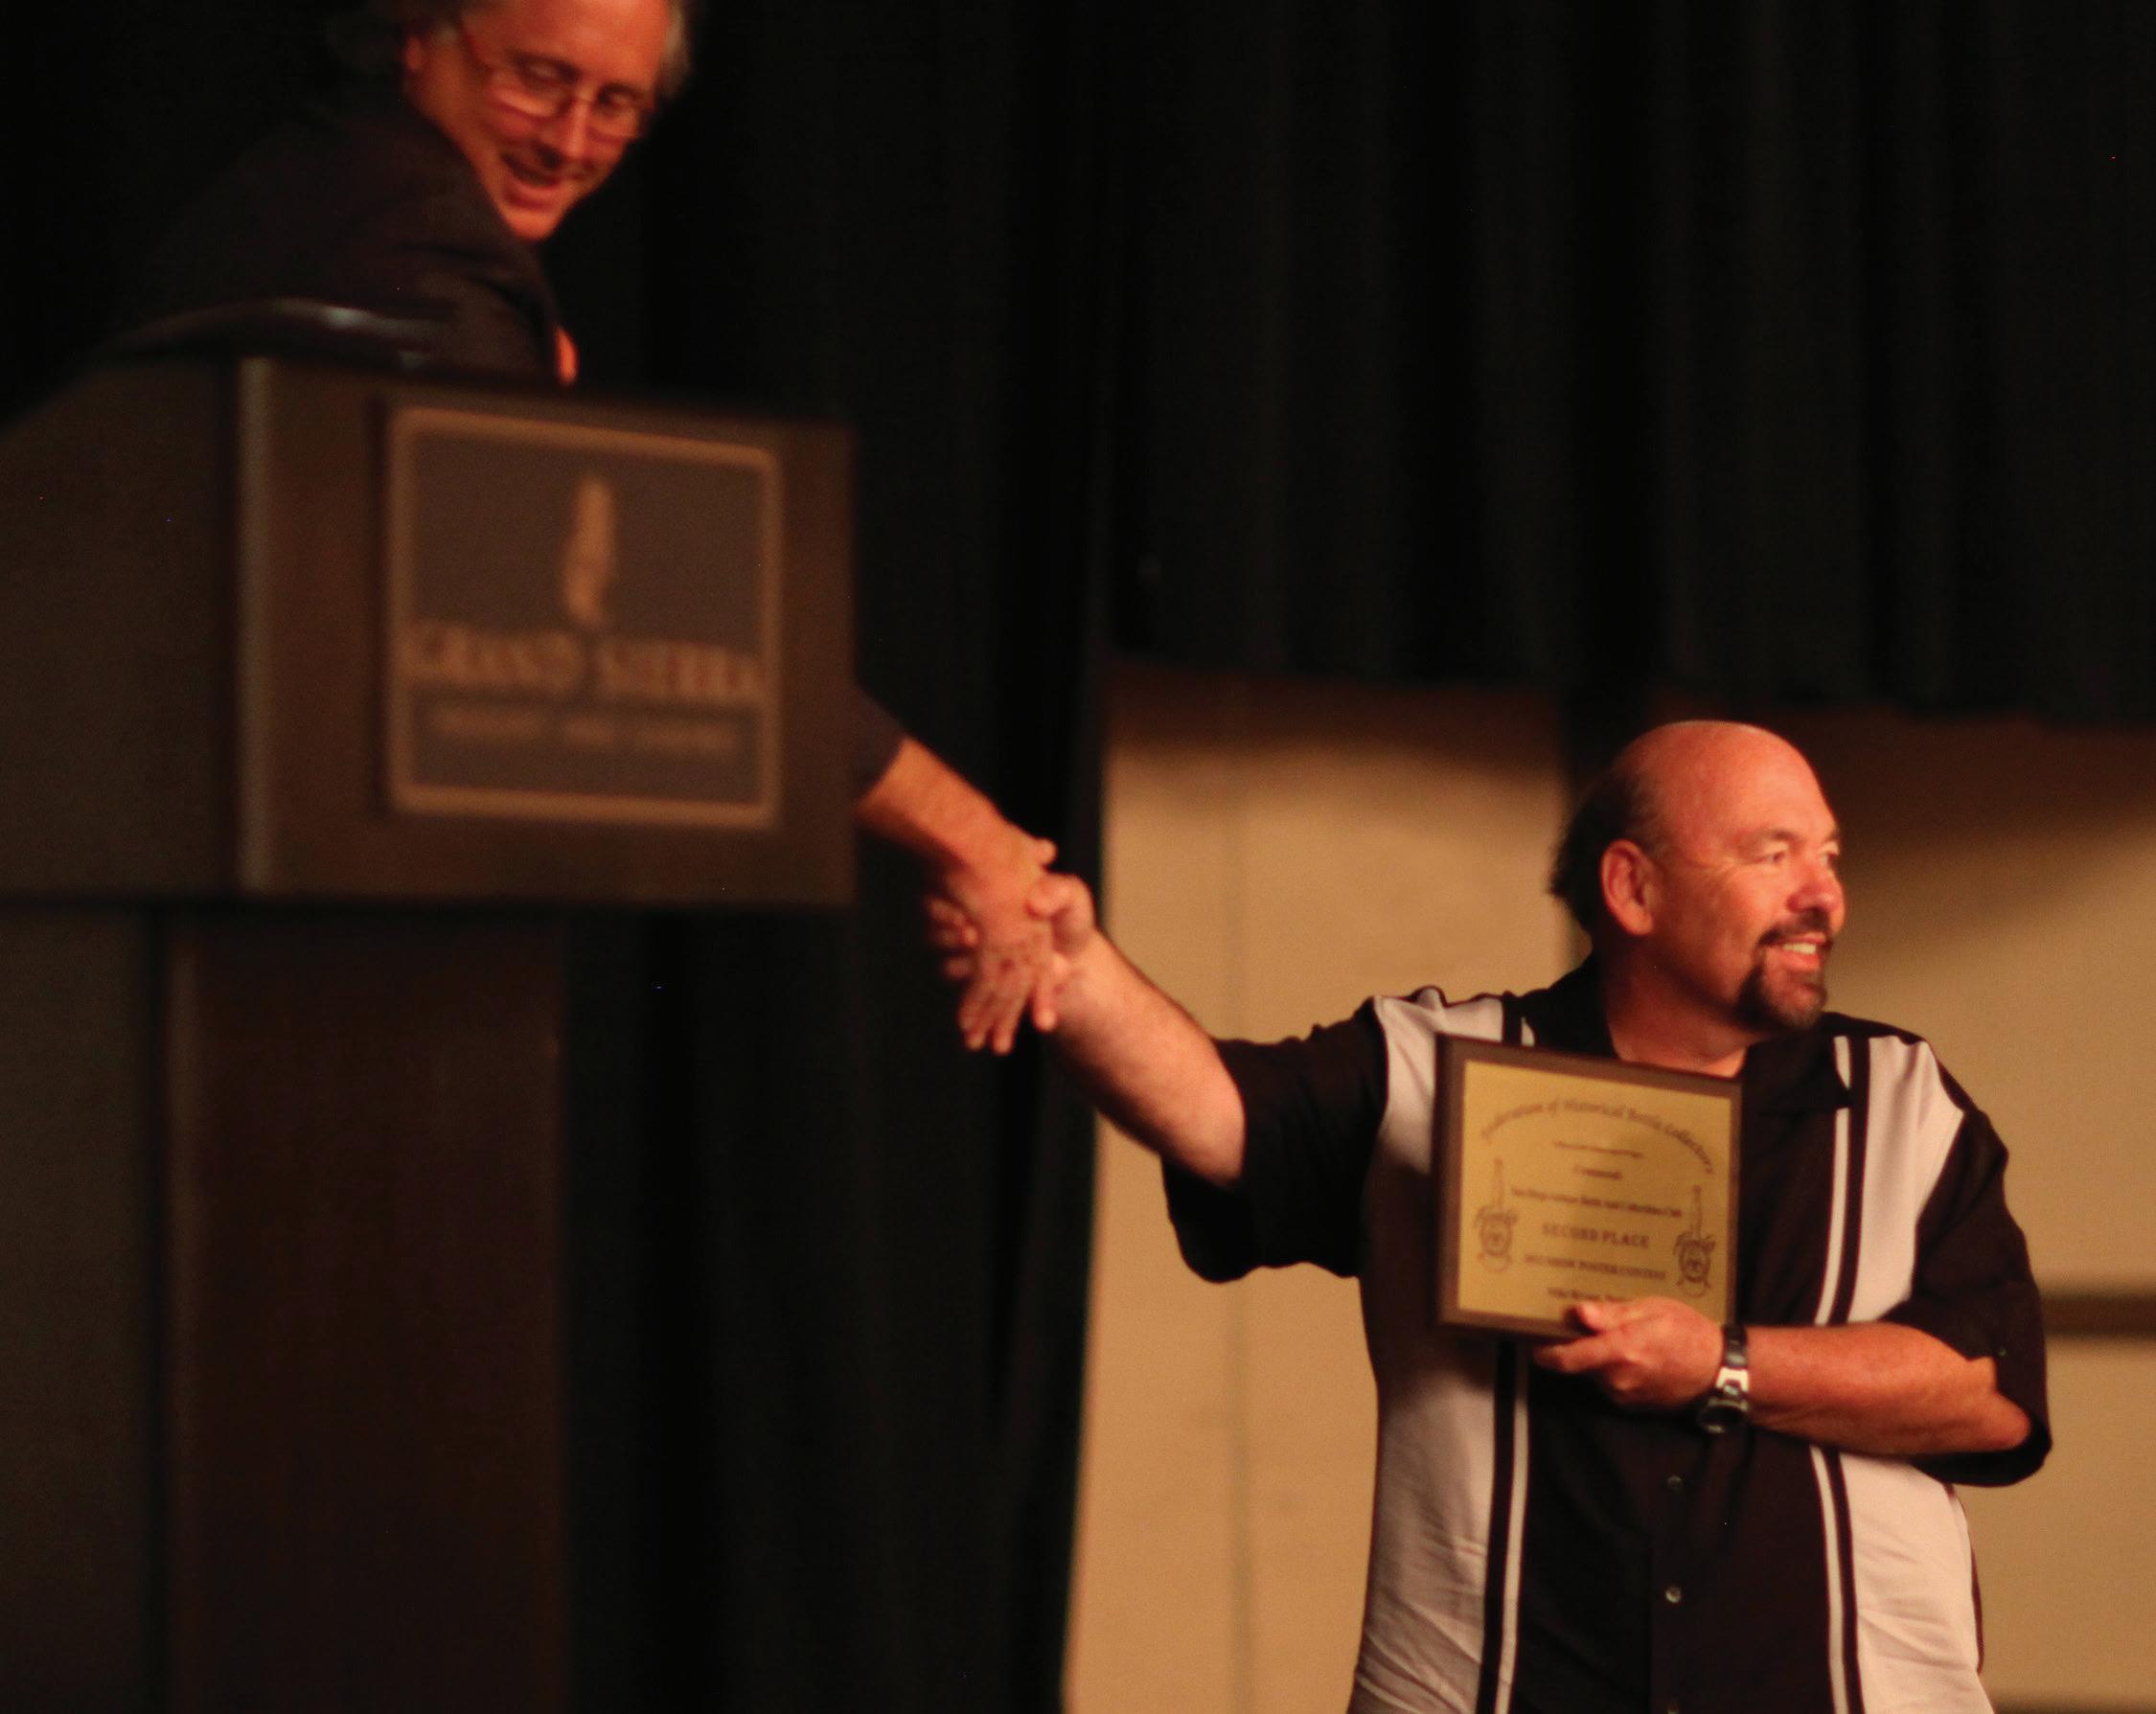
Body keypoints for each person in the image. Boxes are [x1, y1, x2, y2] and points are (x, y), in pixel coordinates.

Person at [939, 720, 2050, 1713]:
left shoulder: (1903, 1097)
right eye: (1775, 854)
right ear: (1633, 889)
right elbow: (1214, 1110)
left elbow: (1989, 1394)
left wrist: (1720, 1365)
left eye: (1830, 857)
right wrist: (1076, 970)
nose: (1825, 896)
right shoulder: (1434, 1068)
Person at [119, 0, 1050, 1050]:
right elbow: (662, 628)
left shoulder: (340, 180)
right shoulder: (418, 239)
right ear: (418, 33)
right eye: (538, 80)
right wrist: (970, 838)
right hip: (302, 954)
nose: (569, 142)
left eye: (616, 104)